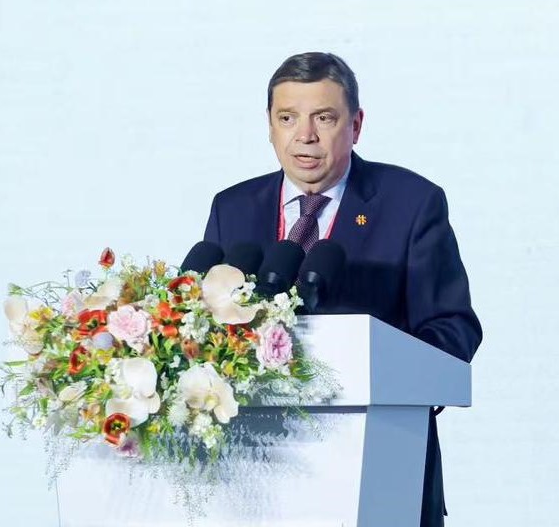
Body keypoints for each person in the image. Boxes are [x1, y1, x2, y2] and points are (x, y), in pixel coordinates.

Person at [202, 51, 482, 527]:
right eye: (287, 118)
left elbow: (453, 331)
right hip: (253, 479)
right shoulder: (233, 208)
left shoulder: (412, 203)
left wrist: (383, 373)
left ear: (356, 125)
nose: (304, 135)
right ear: (269, 125)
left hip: (381, 467)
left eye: (324, 118)